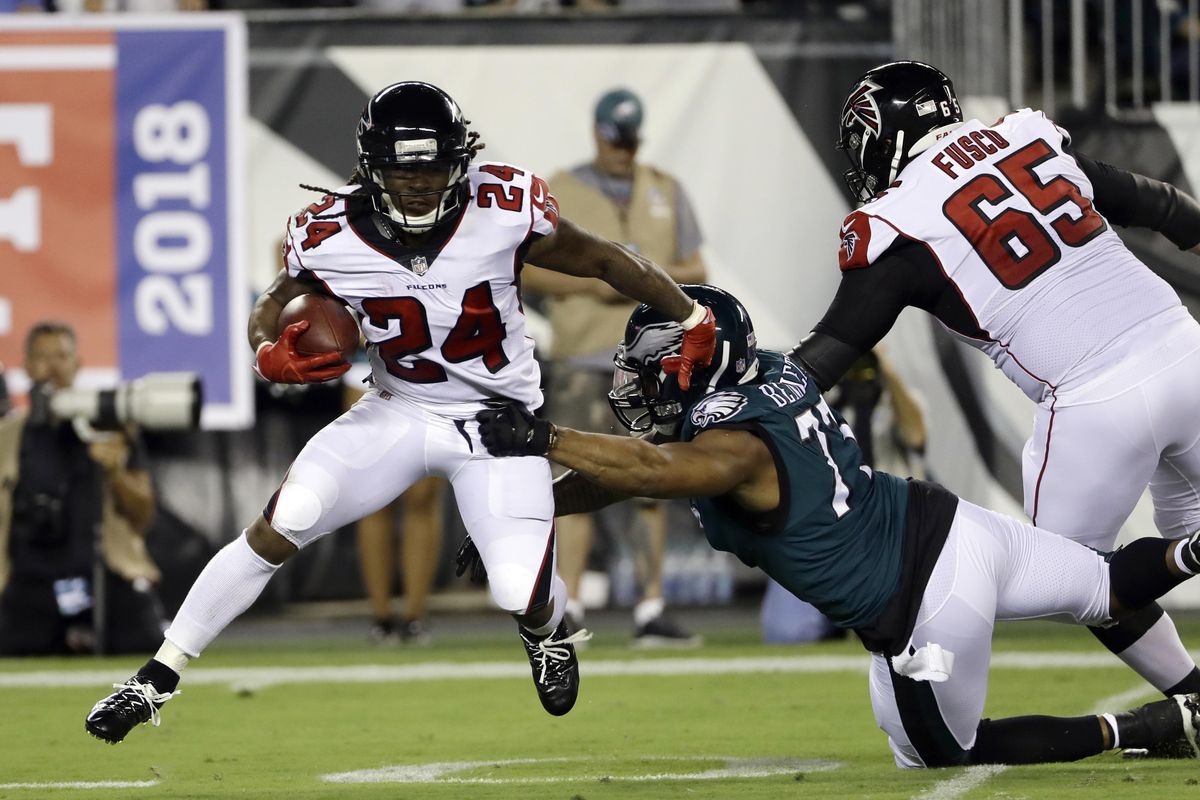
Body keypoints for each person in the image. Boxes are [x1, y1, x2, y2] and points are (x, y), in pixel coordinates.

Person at [84, 81, 717, 743]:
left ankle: (547, 630)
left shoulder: (503, 208)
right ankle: (155, 678)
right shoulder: (329, 232)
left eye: (433, 168)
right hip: (398, 408)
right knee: (286, 518)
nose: (418, 185)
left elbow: (606, 260)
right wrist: (265, 350)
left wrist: (692, 314)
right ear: (371, 167)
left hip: (496, 420)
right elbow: (272, 303)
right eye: (401, 170)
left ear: (459, 161)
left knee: (516, 590)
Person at [470, 284, 1200, 768]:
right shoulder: (773, 374)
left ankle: (1147, 728)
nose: (640, 379)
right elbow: (640, 470)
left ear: (701, 363)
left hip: (922, 604)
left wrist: (545, 439)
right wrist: (534, 509)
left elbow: (654, 473)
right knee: (1106, 585)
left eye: (655, 363)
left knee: (940, 753)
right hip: (953, 524)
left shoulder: (730, 441)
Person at [789, 60, 1200, 707]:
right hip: (1184, 347)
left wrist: (741, 396)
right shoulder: (1025, 139)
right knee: (1174, 536)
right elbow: (1163, 207)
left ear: (883, 137)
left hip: (1096, 397)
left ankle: (1191, 690)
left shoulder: (901, 223)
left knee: (1078, 578)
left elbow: (822, 361)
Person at [521, 87, 706, 647]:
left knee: (652, 480)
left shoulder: (664, 189)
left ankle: (651, 606)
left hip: (650, 359)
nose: (622, 150)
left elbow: (697, 263)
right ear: (597, 133)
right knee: (572, 480)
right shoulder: (561, 187)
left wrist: (637, 270)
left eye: (630, 140)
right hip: (582, 353)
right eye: (614, 139)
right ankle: (570, 604)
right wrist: (600, 278)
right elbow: (525, 268)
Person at [0, 323, 163, 655]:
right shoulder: (8, 437)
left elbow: (143, 515)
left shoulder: (110, 427)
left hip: (103, 576)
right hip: (30, 582)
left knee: (147, 644)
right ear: (27, 366)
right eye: (42, 357)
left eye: (61, 356)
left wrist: (115, 470)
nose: (53, 366)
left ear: (78, 364)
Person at [344, 371, 444, 645]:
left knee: (422, 496)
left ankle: (415, 615)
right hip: (370, 366)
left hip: (434, 368)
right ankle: (381, 616)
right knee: (374, 496)